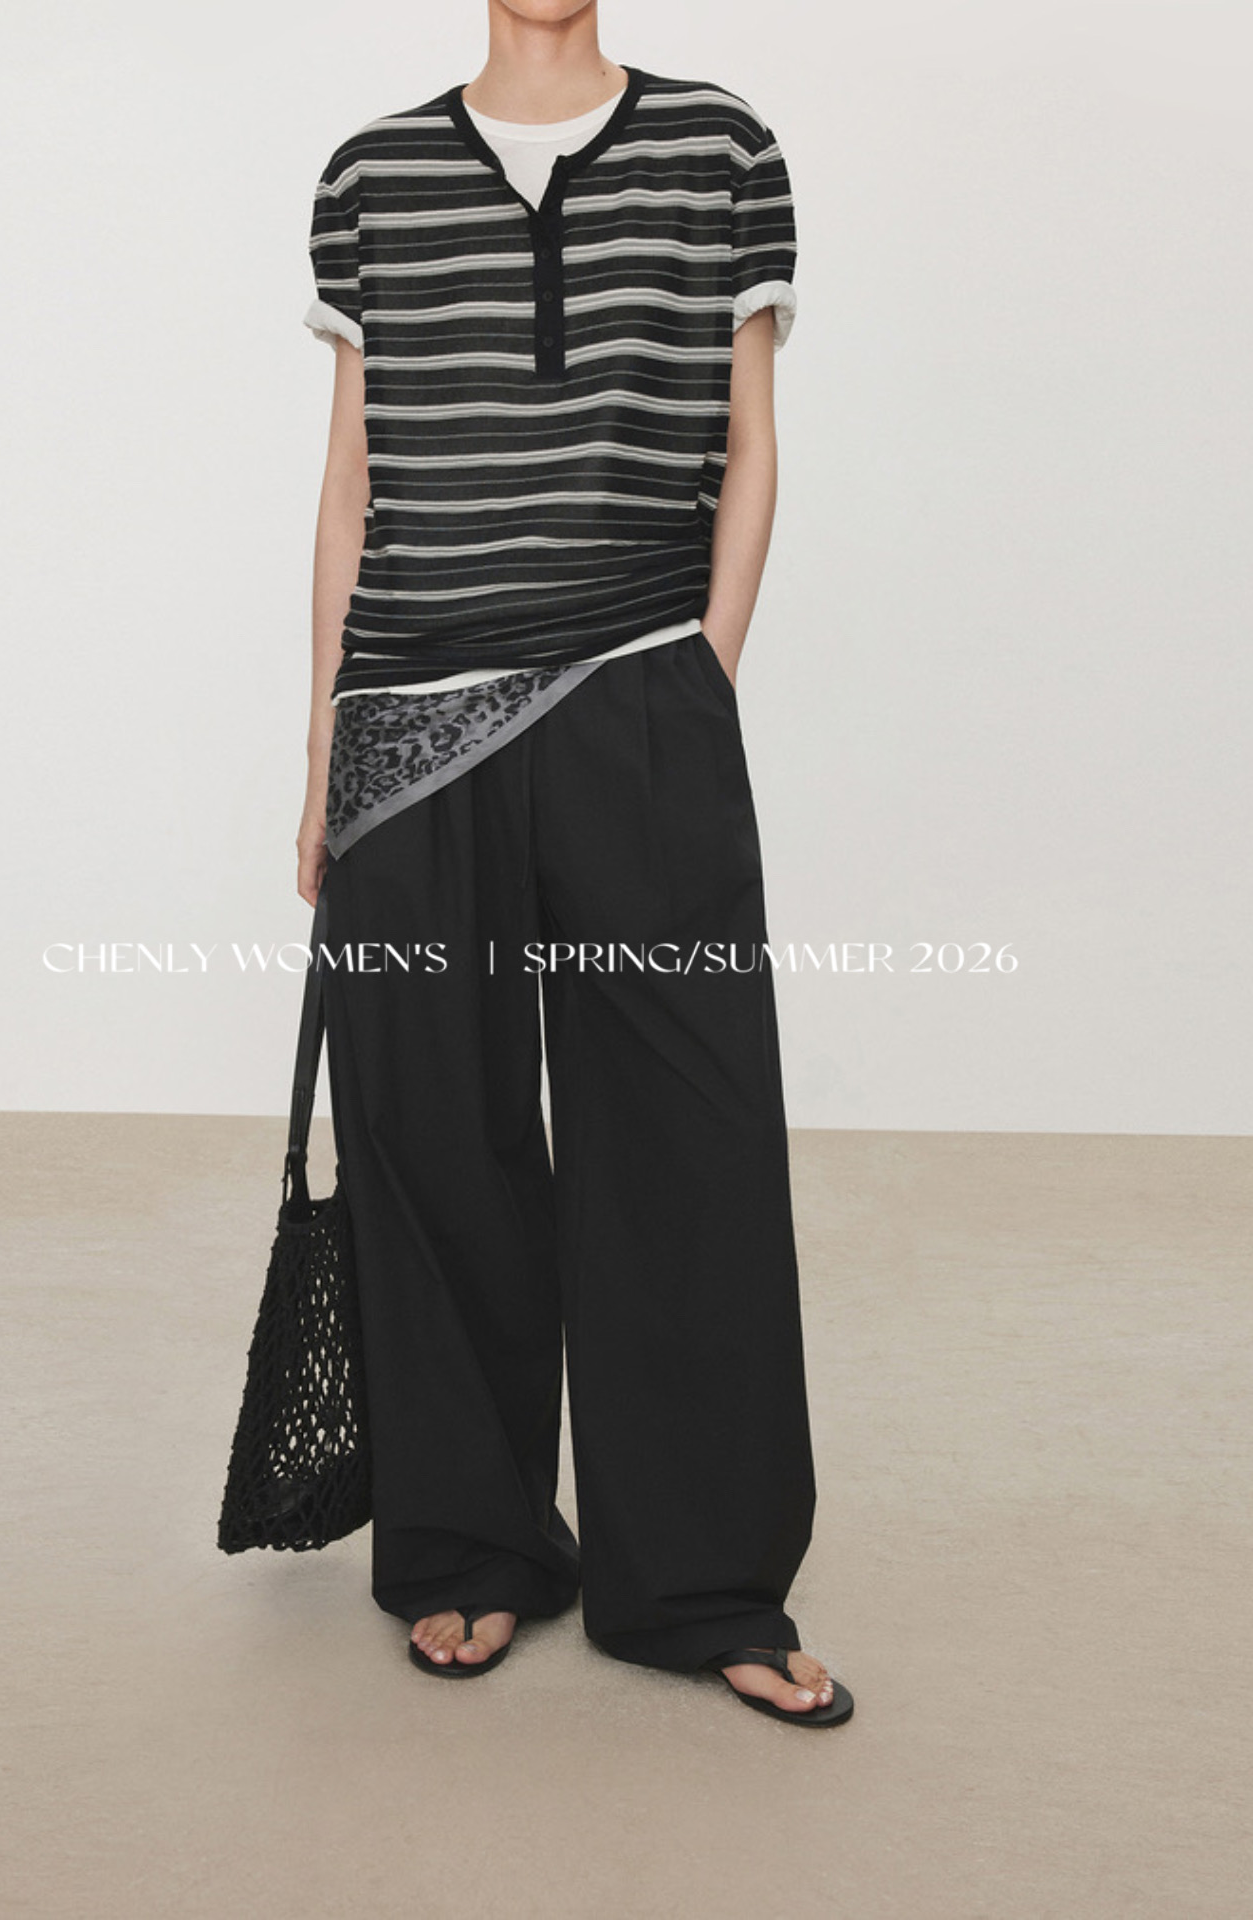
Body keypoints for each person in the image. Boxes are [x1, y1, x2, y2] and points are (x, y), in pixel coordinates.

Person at [295, 1, 853, 1729]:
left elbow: (751, 438)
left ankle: (702, 1583)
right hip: (411, 726)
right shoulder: (370, 175)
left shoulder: (720, 148)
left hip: (639, 694)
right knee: (434, 1136)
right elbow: (352, 480)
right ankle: (470, 1546)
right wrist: (321, 755)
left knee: (685, 1134)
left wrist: (699, 674)